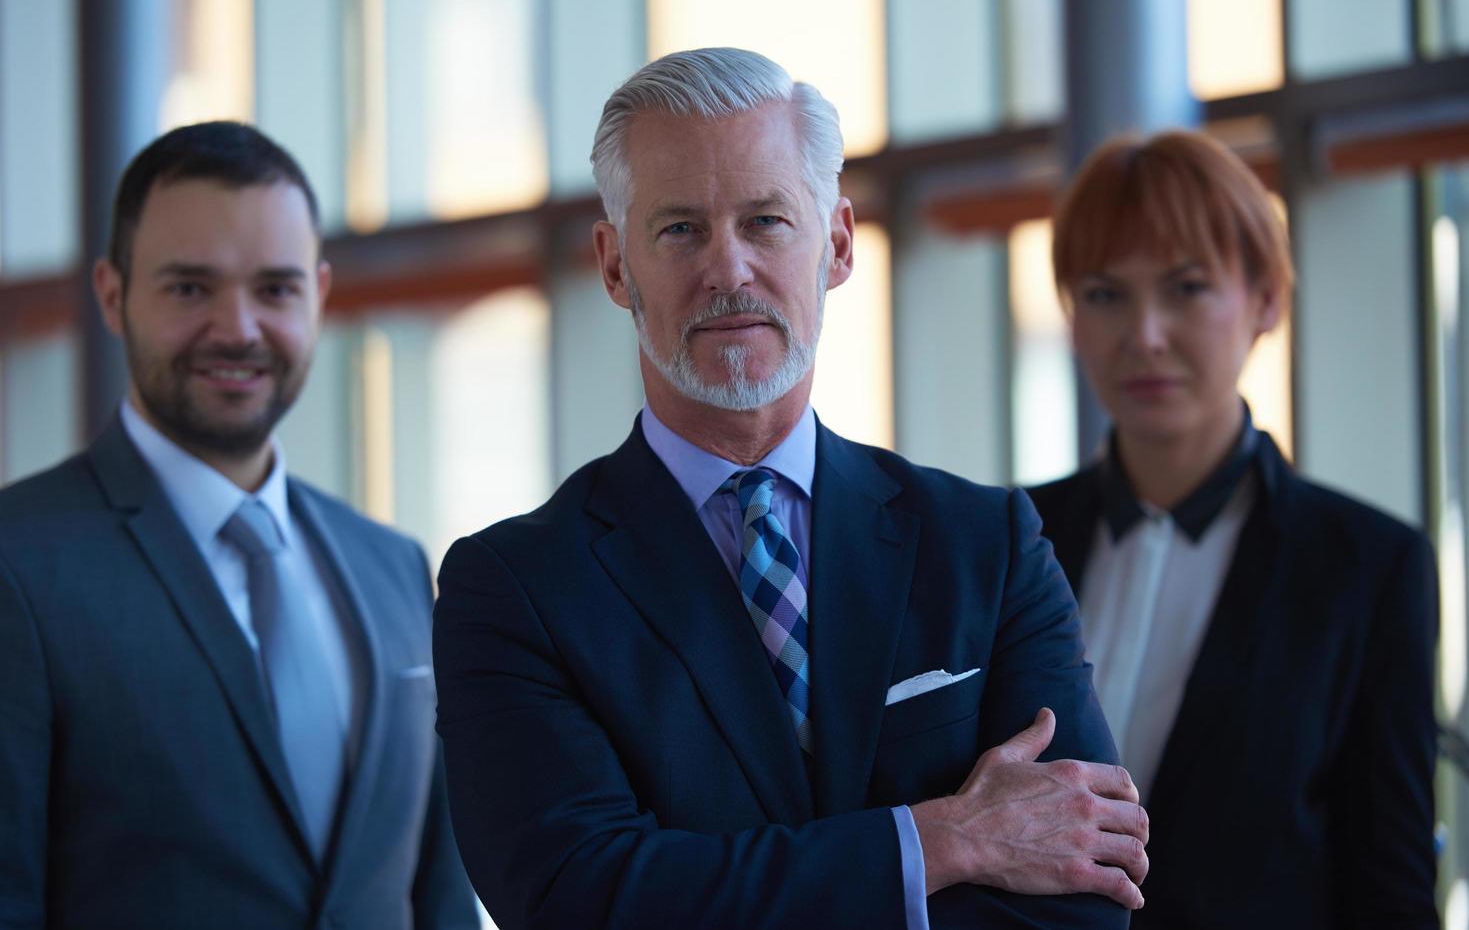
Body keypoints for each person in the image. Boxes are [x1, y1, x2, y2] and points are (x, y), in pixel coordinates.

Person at [433, 47, 1148, 930]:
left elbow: (1086, 891)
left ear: (837, 243)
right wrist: (936, 844)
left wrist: (711, 883)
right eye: (680, 230)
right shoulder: (514, 589)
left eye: (766, 221)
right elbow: (580, 898)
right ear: (616, 267)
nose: (727, 270)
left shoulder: (986, 545)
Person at [0, 122, 478, 929]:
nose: (238, 328)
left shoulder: (393, 567)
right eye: (190, 288)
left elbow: (438, 902)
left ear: (319, 296)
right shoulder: (20, 566)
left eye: (275, 289)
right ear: (113, 296)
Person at [1027, 130, 1438, 928]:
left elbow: (1387, 882)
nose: (1144, 334)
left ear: (1265, 300)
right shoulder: (1006, 538)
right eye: (1105, 294)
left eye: (1185, 288)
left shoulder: (1365, 568)